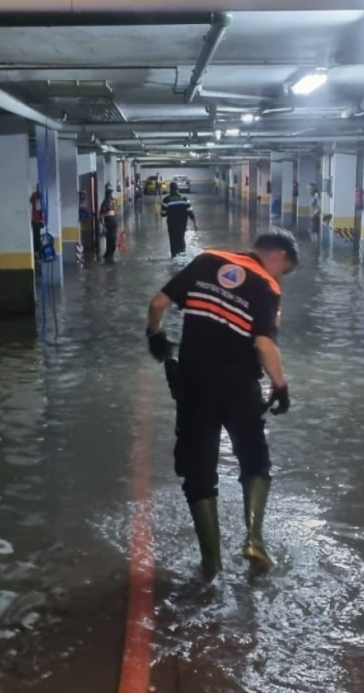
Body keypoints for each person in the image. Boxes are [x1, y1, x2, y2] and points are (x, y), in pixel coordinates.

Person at [144, 230, 299, 579]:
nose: (279, 279)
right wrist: (280, 385)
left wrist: (155, 336)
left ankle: (211, 565)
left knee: (198, 473)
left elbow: (157, 304)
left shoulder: (206, 260)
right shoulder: (265, 286)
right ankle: (254, 540)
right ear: (276, 255)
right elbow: (263, 344)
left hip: (193, 385)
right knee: (255, 460)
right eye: (283, 270)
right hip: (239, 387)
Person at [162, 182, 197, 258]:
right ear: (178, 189)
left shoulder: (166, 200)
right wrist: (195, 224)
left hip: (172, 225)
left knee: (173, 241)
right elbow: (190, 213)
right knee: (181, 238)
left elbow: (163, 214)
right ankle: (182, 256)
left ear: (170, 189)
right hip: (182, 225)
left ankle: (174, 257)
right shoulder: (185, 199)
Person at [100, 186, 120, 262]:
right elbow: (101, 215)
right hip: (108, 224)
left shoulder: (112, 203)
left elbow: (115, 211)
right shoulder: (104, 203)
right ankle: (108, 255)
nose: (112, 195)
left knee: (113, 240)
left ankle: (111, 255)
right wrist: (103, 226)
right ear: (108, 195)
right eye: (111, 194)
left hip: (113, 223)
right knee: (110, 240)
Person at [30, 184, 45, 254]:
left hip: (36, 221)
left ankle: (37, 250)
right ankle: (37, 250)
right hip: (37, 221)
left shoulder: (36, 197)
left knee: (36, 236)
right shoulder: (38, 197)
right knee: (36, 236)